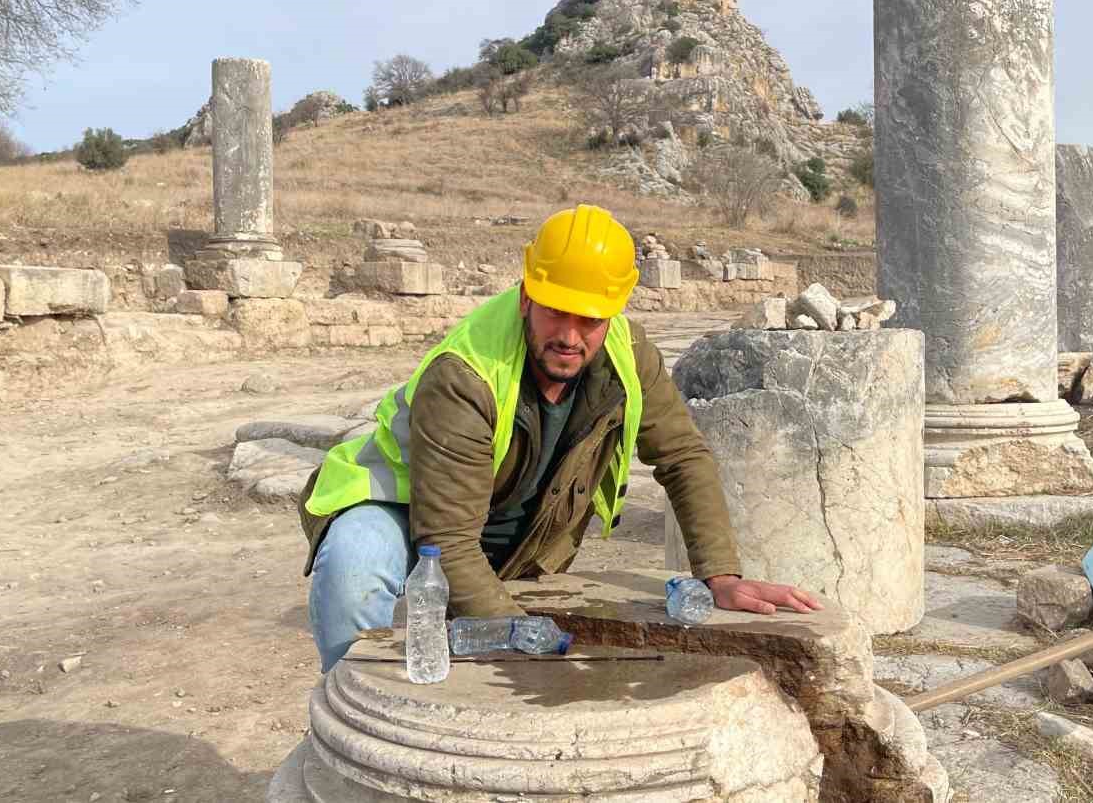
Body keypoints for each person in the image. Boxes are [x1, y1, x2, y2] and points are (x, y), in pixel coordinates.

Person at [296, 204, 820, 671]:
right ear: (527, 296)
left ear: (613, 310)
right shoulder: (465, 373)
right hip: (405, 507)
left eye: (588, 319)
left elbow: (682, 456)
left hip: (513, 533)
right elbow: (447, 541)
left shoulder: (628, 353)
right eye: (555, 311)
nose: (569, 336)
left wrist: (720, 575)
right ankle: (355, 709)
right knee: (354, 563)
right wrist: (525, 639)